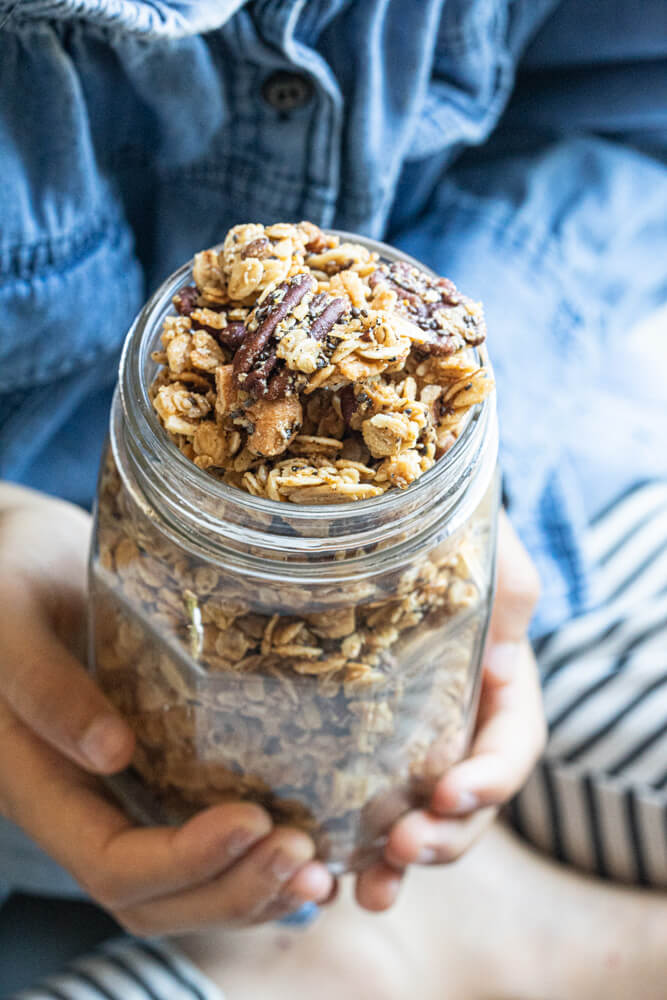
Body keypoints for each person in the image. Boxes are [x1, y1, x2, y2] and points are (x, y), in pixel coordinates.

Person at [0, 0, 665, 994]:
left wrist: (473, 460)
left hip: (506, 511)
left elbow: (619, 113)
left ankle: (438, 911)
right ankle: (357, 944)